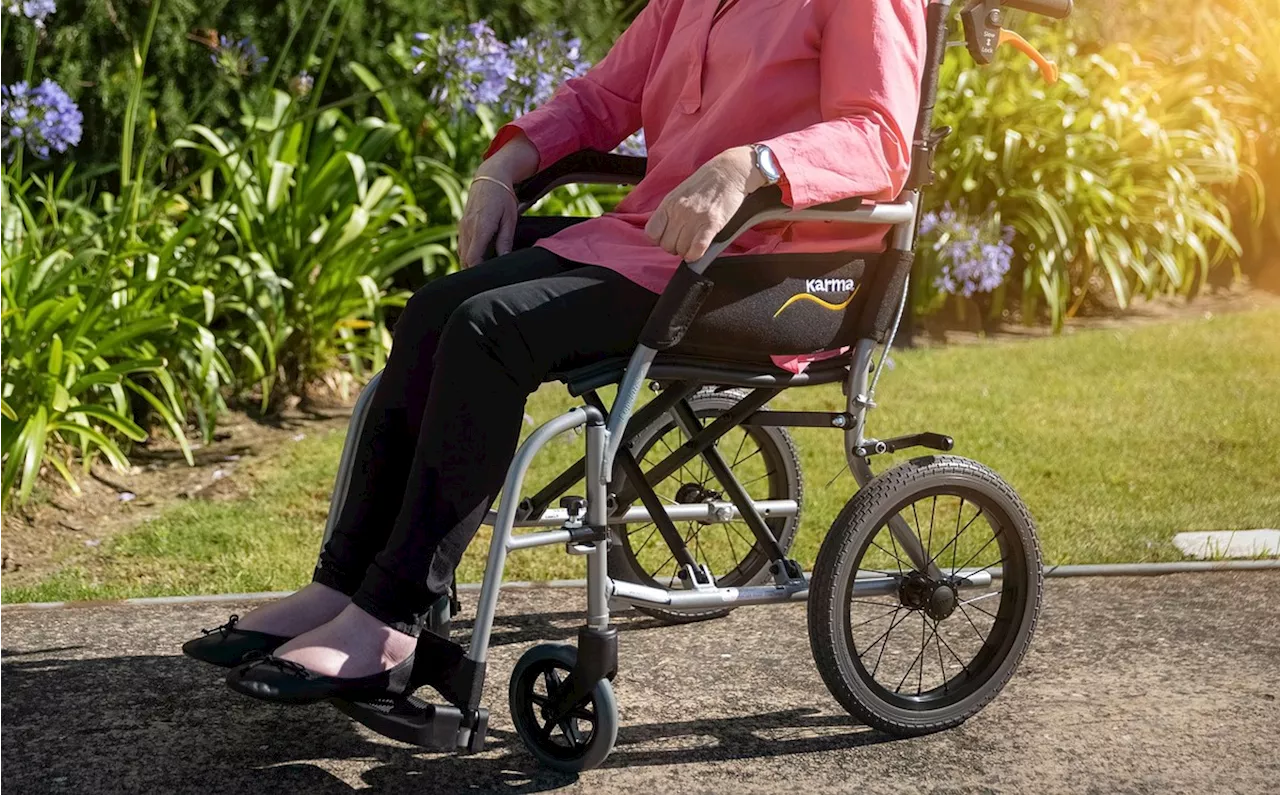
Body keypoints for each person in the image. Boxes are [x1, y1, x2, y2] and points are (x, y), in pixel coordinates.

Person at [183, 0, 927, 703]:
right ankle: (343, 584)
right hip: (656, 247)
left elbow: (880, 137)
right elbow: (603, 96)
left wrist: (749, 165)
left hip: (774, 272)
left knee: (490, 329)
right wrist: (501, 169)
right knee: (435, 310)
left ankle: (389, 624)